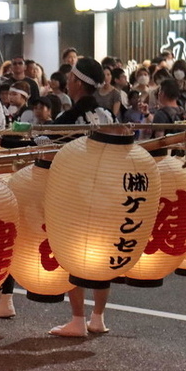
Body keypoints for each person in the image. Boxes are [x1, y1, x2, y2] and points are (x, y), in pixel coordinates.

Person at [49, 57, 116, 337]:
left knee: (73, 256)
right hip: (108, 193)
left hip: (76, 196)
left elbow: (48, 149)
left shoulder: (68, 118)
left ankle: (77, 319)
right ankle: (97, 317)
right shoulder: (108, 115)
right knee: (101, 256)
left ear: (76, 82)